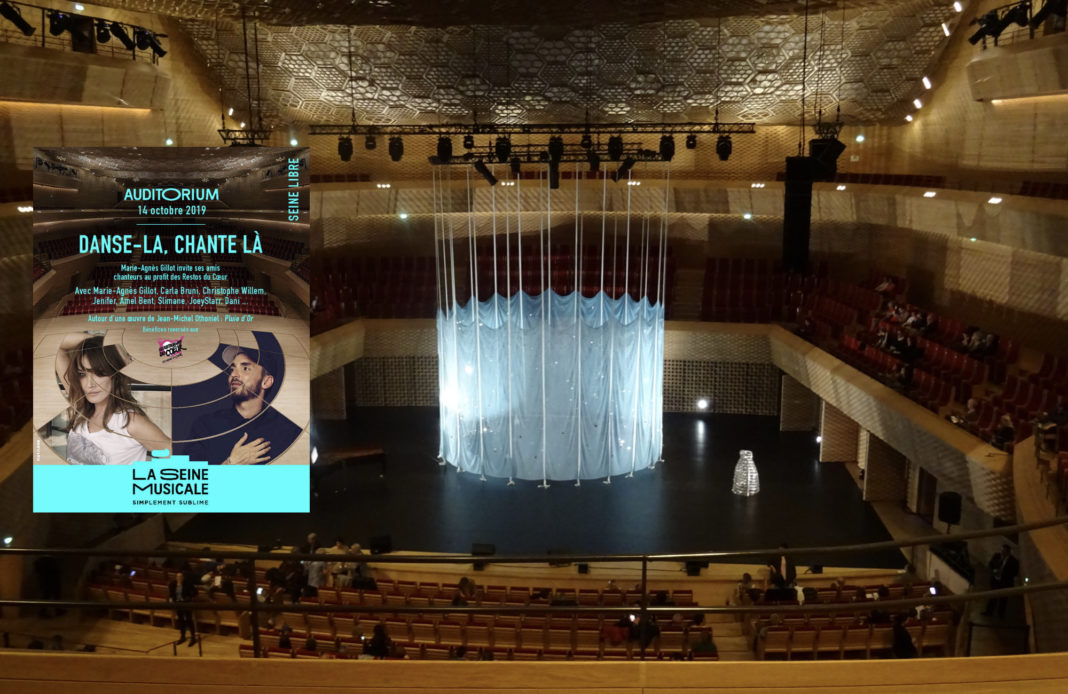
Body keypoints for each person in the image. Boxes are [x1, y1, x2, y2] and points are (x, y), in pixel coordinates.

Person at [56, 334, 170, 465]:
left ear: (115, 374)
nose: (89, 384)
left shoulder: (130, 423)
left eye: (99, 373)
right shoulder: (81, 405)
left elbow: (180, 458)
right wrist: (99, 341)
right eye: (82, 374)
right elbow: (57, 347)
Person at [178, 344, 301, 465]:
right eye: (232, 369)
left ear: (266, 382)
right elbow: (191, 482)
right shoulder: (205, 426)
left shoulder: (288, 430)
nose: (234, 375)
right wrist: (230, 464)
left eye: (245, 368)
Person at [983, 544, 1020, 618]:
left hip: (1005, 582)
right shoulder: (997, 556)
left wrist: (1004, 573)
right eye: (1002, 551)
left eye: (1005, 551)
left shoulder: (1014, 561)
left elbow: (1015, 573)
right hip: (996, 580)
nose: (1003, 553)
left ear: (1008, 552)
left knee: (1003, 599)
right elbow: (991, 564)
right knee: (993, 597)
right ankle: (989, 612)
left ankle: (1000, 614)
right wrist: (994, 570)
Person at [168, 570, 198, 646]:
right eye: (178, 576)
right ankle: (182, 636)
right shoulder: (172, 584)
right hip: (178, 604)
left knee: (189, 620)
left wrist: (189, 598)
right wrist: (171, 599)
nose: (179, 578)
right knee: (181, 620)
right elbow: (171, 594)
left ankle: (193, 637)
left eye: (181, 576)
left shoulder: (188, 583)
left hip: (186, 603)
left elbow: (195, 592)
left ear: (183, 577)